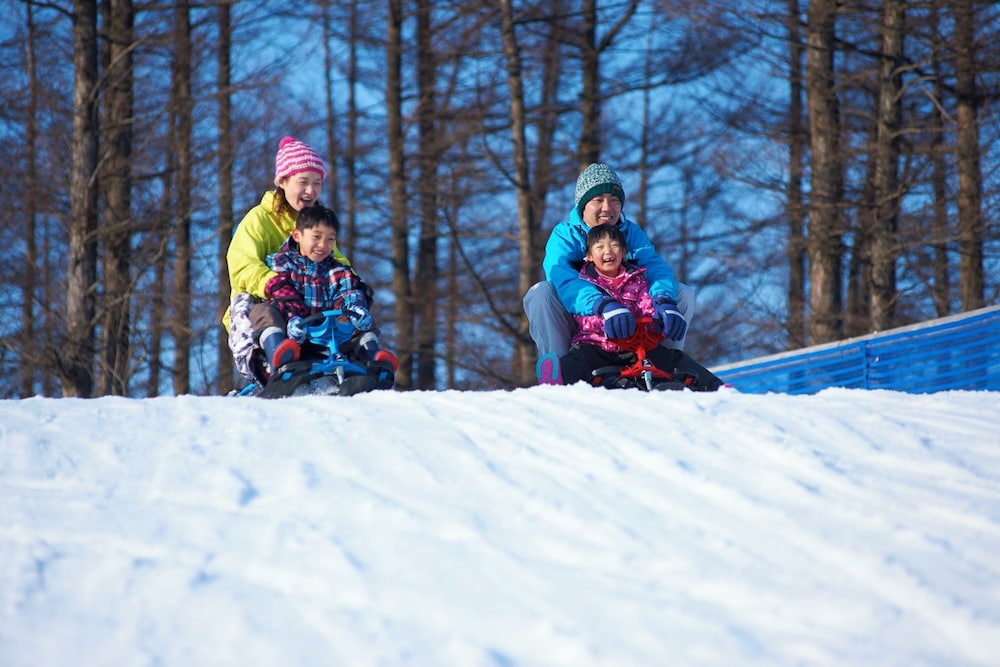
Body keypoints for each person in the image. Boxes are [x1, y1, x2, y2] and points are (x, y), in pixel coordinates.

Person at [523, 163, 695, 372]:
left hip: (633, 320)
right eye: (598, 200)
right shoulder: (565, 235)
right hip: (583, 318)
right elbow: (563, 279)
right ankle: (559, 367)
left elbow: (654, 267)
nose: (607, 208)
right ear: (583, 205)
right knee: (540, 293)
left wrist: (664, 300)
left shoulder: (630, 233)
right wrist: (602, 305)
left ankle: (667, 363)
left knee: (682, 293)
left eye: (614, 201)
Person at [223, 135, 358, 383]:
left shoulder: (316, 224)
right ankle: (278, 359)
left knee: (349, 310)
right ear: (283, 182)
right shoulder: (259, 220)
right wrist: (274, 284)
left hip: (309, 305)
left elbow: (335, 261)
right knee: (267, 313)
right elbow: (242, 263)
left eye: (317, 183)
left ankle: (364, 359)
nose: (311, 190)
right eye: (303, 182)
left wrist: (354, 286)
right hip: (265, 305)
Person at [536, 224, 722, 391]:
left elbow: (645, 302)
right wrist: (604, 317)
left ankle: (714, 387)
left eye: (614, 246)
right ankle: (556, 377)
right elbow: (582, 313)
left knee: (673, 358)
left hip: (635, 345)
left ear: (624, 252)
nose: (608, 252)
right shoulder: (586, 282)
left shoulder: (637, 279)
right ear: (589, 256)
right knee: (580, 358)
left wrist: (655, 319)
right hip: (598, 344)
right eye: (600, 247)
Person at [255, 205, 397, 376]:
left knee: (359, 317)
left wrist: (355, 308)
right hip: (292, 333)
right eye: (316, 237)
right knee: (264, 311)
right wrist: (293, 319)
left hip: (329, 336)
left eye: (330, 239)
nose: (323, 245)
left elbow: (347, 292)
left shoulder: (337, 270)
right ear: (297, 235)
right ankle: (279, 353)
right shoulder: (281, 263)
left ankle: (374, 359)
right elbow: (282, 294)